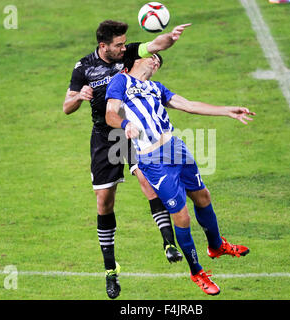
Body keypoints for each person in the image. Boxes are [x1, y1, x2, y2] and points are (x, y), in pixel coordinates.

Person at [105, 54, 255, 295]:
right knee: (182, 216)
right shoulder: (121, 82)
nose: (156, 62)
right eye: (152, 57)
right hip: (153, 161)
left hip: (176, 149)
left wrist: (227, 111)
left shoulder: (156, 88)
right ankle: (196, 271)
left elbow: (189, 105)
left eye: (159, 62)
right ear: (135, 60)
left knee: (203, 196)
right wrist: (125, 125)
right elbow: (110, 114)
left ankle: (216, 246)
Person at [63, 20, 190, 299]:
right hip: (104, 137)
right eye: (118, 44)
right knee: (105, 201)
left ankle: (169, 243)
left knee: (147, 181)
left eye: (124, 43)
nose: (124, 48)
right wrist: (80, 97)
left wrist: (171, 37)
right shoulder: (83, 67)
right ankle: (111, 270)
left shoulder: (129, 53)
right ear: (103, 46)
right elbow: (66, 106)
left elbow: (155, 45)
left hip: (132, 130)